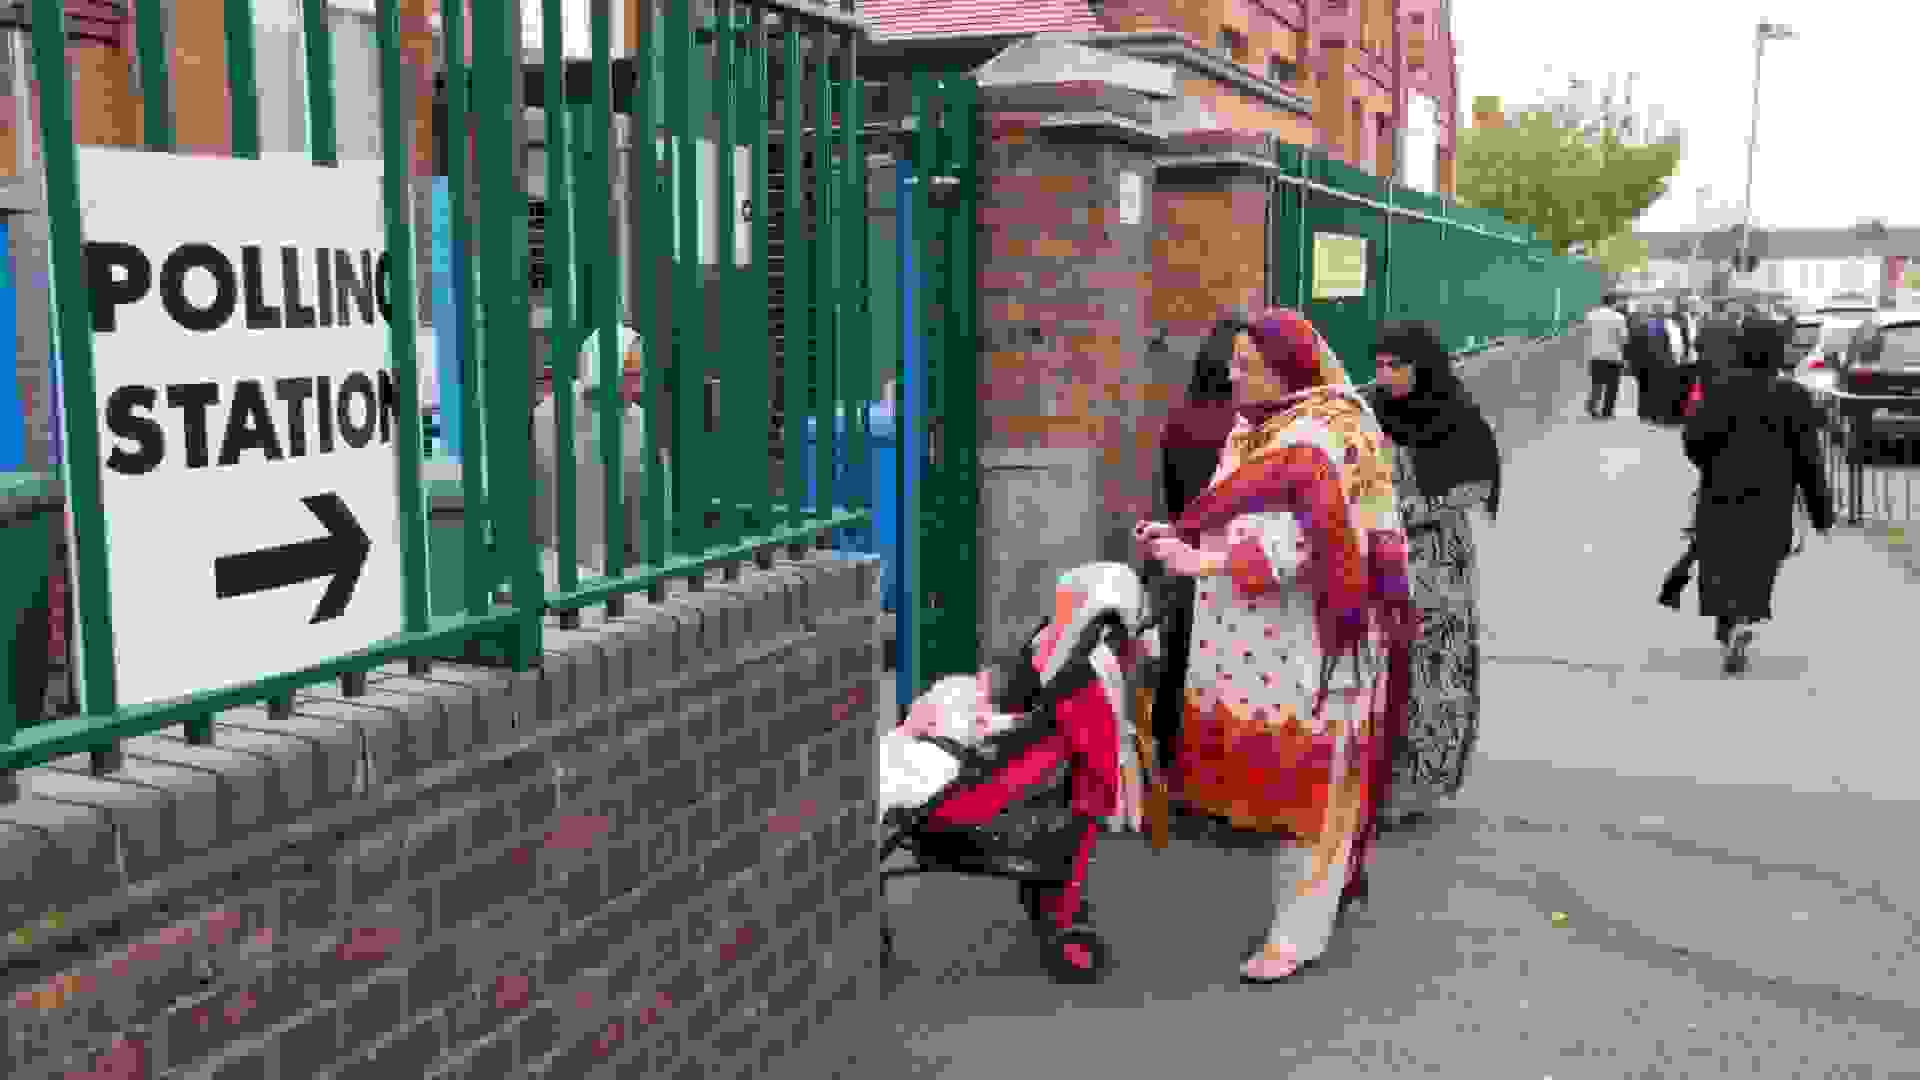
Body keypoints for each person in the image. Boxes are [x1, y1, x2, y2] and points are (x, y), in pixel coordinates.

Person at [1133, 308, 1416, 983]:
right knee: (1301, 781)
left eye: (1244, 364)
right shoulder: (1254, 429)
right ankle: (1325, 891)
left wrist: (1193, 559)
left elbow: (1308, 546)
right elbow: (1230, 513)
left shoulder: (1330, 432)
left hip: (1317, 641)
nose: (1231, 374)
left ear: (1284, 369)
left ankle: (1297, 933)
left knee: (1314, 783)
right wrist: (1181, 539)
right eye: (1232, 362)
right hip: (1260, 644)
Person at [1363, 321, 1500, 829]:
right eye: (1378, 364)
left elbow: (1478, 482)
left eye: (1395, 365)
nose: (1384, 375)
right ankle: (1376, 783)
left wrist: (1420, 508)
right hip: (1381, 556)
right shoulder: (1370, 412)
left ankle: (1418, 785)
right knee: (1383, 670)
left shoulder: (1456, 417)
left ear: (1424, 368)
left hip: (1436, 562)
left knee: (1432, 670)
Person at [1681, 315, 1834, 676]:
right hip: (1773, 497)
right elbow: (1809, 459)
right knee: (1759, 563)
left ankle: (1729, 624)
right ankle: (1747, 616)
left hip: (1721, 491)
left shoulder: (1718, 388)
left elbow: (1693, 439)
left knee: (1721, 561)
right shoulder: (1793, 395)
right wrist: (1820, 512)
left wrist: (1710, 466)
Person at [1148, 316, 1248, 774]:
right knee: (1229, 671)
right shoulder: (1247, 428)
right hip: (1227, 558)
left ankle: (1169, 759)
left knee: (1180, 657)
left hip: (1185, 552)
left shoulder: (1180, 420)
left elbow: (1171, 496)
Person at [1584, 297, 1628, 419]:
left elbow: (1587, 333)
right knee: (1612, 386)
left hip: (1596, 354)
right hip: (1613, 356)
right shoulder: (1619, 318)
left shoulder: (1591, 315)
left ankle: (1592, 407)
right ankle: (1607, 412)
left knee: (1596, 383)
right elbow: (1623, 340)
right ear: (1614, 303)